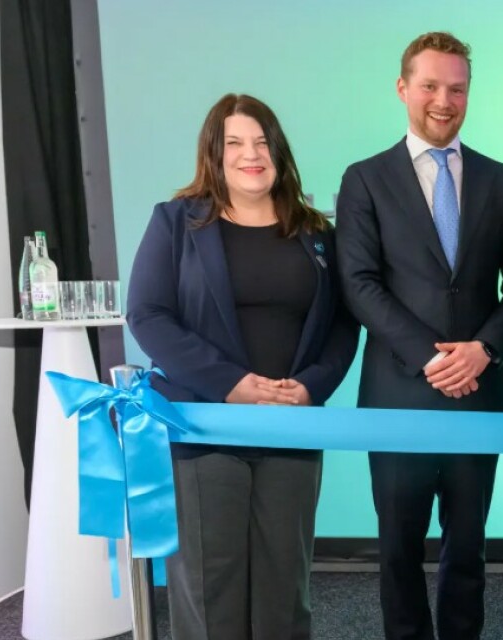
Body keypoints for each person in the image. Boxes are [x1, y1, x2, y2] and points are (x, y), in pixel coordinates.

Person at [127, 93, 360, 639]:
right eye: (234, 142)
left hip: (290, 431)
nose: (249, 154)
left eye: (260, 141)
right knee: (211, 591)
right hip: (205, 428)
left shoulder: (317, 232)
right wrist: (230, 385)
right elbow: (148, 315)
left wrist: (310, 387)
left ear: (278, 150)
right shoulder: (176, 222)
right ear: (214, 152)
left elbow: (344, 324)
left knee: (286, 590)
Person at [335, 31, 503, 640]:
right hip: (398, 395)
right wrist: (431, 358)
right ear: (403, 89)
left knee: (468, 547)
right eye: (430, 86)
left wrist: (484, 350)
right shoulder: (364, 179)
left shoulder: (502, 181)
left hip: (480, 390)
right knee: (397, 550)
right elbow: (360, 284)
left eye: (457, 87)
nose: (443, 100)